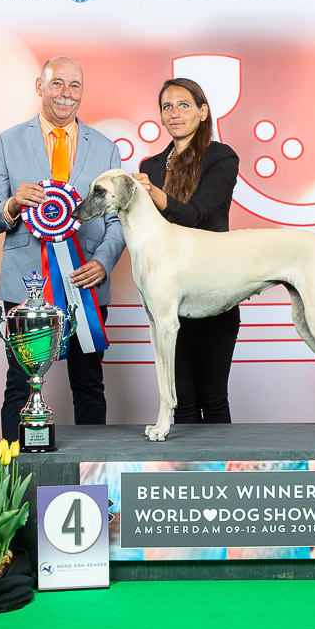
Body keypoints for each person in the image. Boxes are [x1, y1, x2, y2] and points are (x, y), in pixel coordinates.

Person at [0, 56, 125, 442]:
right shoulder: (8, 142)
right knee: (20, 384)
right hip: (26, 286)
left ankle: (93, 471)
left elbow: (117, 221)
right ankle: (13, 472)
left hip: (84, 281)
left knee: (89, 383)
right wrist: (12, 204)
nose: (66, 93)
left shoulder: (106, 148)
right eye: (57, 83)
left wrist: (103, 262)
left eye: (75, 85)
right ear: (39, 86)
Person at [135, 77, 240, 423]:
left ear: (203, 112)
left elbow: (197, 216)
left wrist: (156, 196)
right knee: (181, 400)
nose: (175, 113)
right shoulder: (149, 167)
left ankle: (220, 461)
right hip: (167, 294)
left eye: (184, 105)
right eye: (167, 107)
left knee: (214, 397)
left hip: (213, 289)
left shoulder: (221, 157)